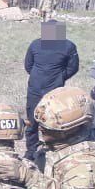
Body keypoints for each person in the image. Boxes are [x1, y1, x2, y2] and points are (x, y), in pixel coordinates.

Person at [23, 21, 80, 159]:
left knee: (56, 120)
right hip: (35, 90)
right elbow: (28, 65)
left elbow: (73, 68)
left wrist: (59, 78)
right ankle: (31, 151)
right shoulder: (35, 44)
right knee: (32, 122)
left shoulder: (68, 46)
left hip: (55, 92)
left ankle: (55, 149)